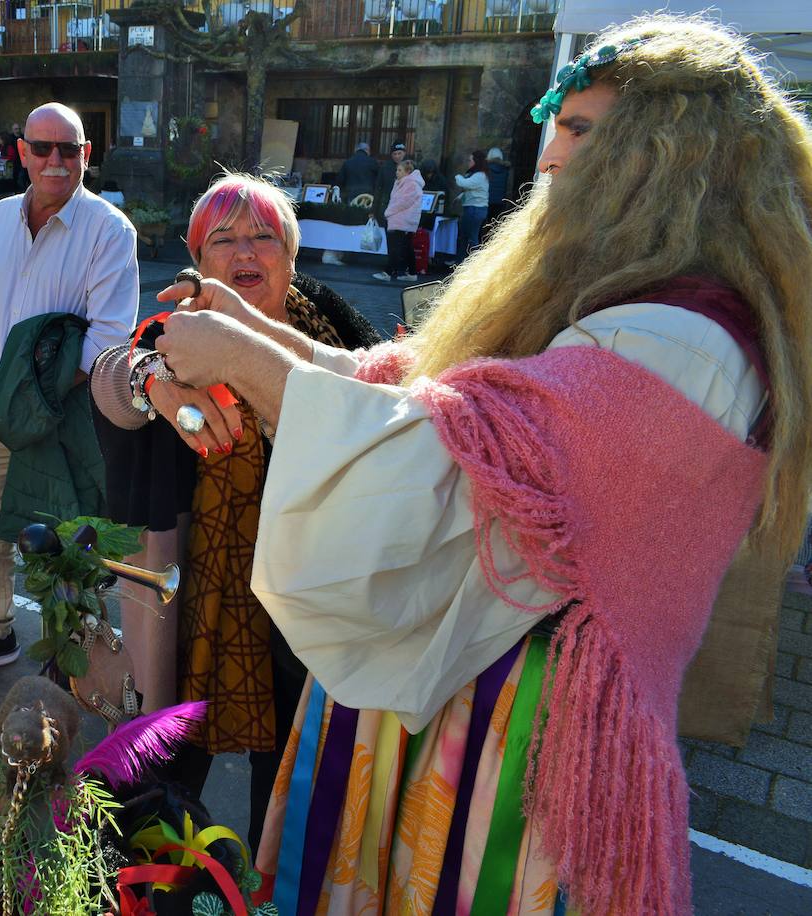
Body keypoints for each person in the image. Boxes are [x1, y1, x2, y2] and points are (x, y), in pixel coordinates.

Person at [144, 15, 812, 913]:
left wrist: (244, 358)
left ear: (671, 153)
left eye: (579, 130)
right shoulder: (636, 301)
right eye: (556, 126)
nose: (548, 158)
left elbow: (444, 468)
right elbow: (426, 390)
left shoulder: (684, 341)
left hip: (508, 739)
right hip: (451, 689)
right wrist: (247, 337)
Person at [88, 173, 380, 852]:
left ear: (291, 255)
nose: (245, 250)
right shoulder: (175, 337)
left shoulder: (332, 330)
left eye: (264, 237)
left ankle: (268, 891)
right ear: (200, 261)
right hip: (197, 607)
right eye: (224, 238)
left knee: (288, 792)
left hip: (308, 612)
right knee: (163, 778)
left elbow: (391, 400)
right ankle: (149, 878)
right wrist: (148, 383)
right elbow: (106, 379)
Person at [0, 102, 138, 679]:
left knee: (63, 538)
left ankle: (65, 649)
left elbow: (108, 337)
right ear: (22, 151)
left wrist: (38, 402)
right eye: (43, 148)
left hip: (63, 420)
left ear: (87, 156)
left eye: (70, 149)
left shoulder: (108, 231)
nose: (56, 160)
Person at [372, 158, 423, 282]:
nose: (397, 172)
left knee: (396, 247)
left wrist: (388, 212)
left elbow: (403, 202)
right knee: (406, 247)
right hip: (402, 220)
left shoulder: (411, 183)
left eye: (400, 170)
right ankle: (411, 273)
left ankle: (388, 272)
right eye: (397, 170)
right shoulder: (402, 182)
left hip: (402, 220)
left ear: (407, 172)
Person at [453, 148, 490, 260]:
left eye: (470, 160)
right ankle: (461, 263)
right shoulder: (478, 175)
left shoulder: (479, 175)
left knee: (471, 238)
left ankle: (471, 263)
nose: (468, 163)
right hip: (475, 209)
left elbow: (464, 184)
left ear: (476, 161)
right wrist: (460, 197)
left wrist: (457, 176)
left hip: (475, 210)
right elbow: (473, 191)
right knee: (466, 237)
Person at [371, 141, 407, 227]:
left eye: (399, 153)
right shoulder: (385, 168)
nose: (397, 156)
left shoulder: (411, 167)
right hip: (386, 207)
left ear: (404, 153)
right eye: (395, 154)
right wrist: (373, 210)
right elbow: (378, 189)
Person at [484, 145, 512, 228]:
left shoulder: (486, 168)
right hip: (500, 201)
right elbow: (508, 186)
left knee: (485, 225)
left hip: (487, 201)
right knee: (495, 225)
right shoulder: (506, 169)